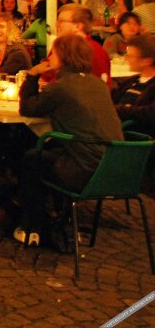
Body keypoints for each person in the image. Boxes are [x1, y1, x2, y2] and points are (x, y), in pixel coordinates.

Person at [15, 35, 124, 246]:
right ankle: (56, 213)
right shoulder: (97, 84)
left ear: (64, 57)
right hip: (114, 167)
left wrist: (32, 75)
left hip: (84, 171)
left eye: (53, 53)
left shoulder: (61, 88)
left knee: (32, 157)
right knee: (51, 150)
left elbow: (27, 108)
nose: (49, 57)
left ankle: (33, 226)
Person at [49, 3, 111, 86]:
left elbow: (97, 87)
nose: (56, 25)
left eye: (61, 21)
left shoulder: (92, 51)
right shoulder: (61, 47)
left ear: (78, 26)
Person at [113, 32, 155, 136]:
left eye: (130, 56)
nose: (126, 58)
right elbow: (111, 98)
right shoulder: (132, 81)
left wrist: (120, 109)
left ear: (147, 61)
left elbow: (150, 113)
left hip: (136, 138)